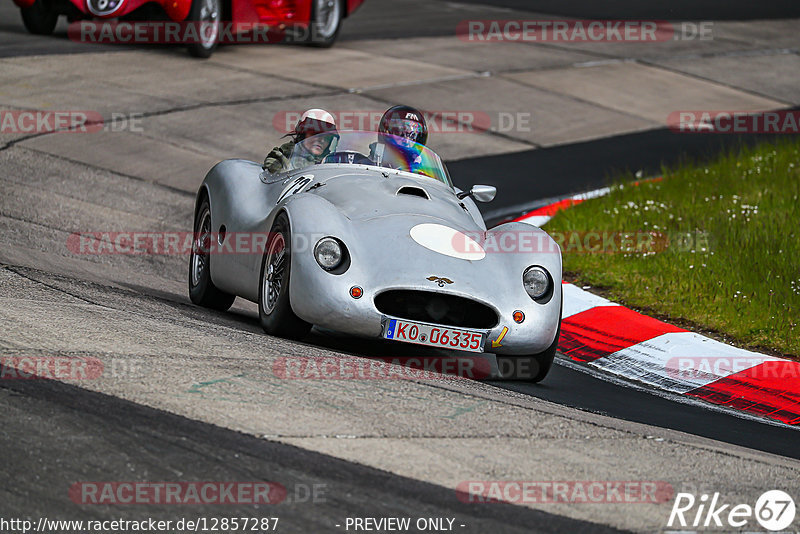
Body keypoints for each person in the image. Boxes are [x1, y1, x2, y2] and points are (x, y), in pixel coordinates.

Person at [263, 109, 338, 173]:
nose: (321, 140)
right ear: (303, 134)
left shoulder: (333, 163)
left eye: (327, 137)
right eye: (315, 134)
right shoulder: (282, 158)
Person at [369, 105, 430, 175]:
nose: (406, 140)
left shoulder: (423, 173)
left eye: (412, 135)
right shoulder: (366, 164)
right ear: (387, 133)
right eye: (400, 133)